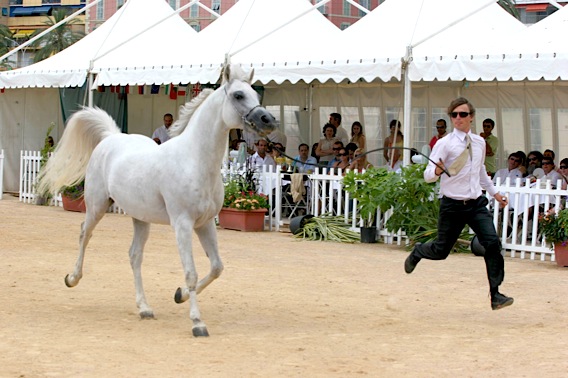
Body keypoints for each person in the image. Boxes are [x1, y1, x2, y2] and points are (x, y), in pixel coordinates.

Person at [404, 97, 513, 311]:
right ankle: (418, 252)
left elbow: (481, 171)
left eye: (463, 114)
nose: (458, 118)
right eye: (454, 114)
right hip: (452, 205)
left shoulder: (480, 142)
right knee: (440, 250)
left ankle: (495, 294)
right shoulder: (444, 144)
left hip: (476, 204)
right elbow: (428, 176)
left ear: (471, 117)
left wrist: (495, 193)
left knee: (492, 243)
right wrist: (436, 171)